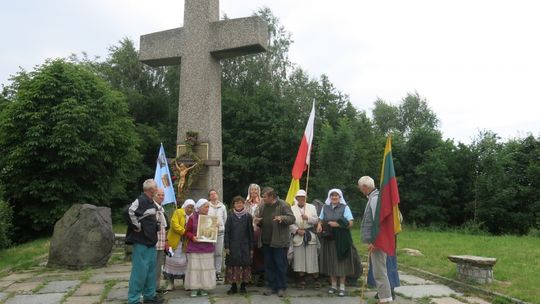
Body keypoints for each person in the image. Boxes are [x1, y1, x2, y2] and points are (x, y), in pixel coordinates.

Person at [126, 179, 163, 304]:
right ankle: (134, 300)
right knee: (139, 272)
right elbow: (129, 211)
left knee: (150, 272)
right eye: (156, 187)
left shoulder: (151, 202)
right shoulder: (141, 200)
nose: (157, 189)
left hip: (151, 242)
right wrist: (136, 226)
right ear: (150, 189)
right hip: (141, 242)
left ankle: (149, 296)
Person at [254, 187, 295, 297]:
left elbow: (292, 218)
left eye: (265, 196)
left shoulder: (283, 204)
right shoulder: (263, 206)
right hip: (266, 240)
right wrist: (258, 222)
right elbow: (261, 220)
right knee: (269, 265)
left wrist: (282, 218)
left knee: (280, 264)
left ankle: (281, 287)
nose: (263, 198)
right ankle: (270, 286)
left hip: (279, 241)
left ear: (272, 196)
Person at [358, 176, 393, 303]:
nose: (361, 191)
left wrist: (375, 242)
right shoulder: (375, 197)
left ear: (365, 187)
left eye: (361, 188)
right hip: (378, 240)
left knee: (379, 272)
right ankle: (385, 298)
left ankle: (385, 299)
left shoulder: (375, 199)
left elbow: (378, 222)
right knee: (379, 270)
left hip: (378, 241)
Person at [316, 189, 354, 297]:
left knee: (341, 262)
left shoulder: (344, 207)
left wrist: (337, 224)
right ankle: (333, 286)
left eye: (336, 195)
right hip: (329, 238)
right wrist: (319, 224)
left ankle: (342, 287)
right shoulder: (325, 207)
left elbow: (351, 223)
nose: (334, 197)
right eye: (332, 195)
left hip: (341, 239)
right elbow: (321, 219)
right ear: (329, 197)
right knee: (331, 262)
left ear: (340, 197)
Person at [184, 199, 217, 297]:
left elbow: (212, 233)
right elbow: (187, 232)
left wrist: (215, 229)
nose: (207, 209)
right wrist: (192, 237)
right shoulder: (192, 218)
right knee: (195, 268)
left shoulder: (211, 218)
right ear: (200, 207)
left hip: (207, 248)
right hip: (195, 247)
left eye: (208, 207)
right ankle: (194, 288)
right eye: (206, 207)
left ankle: (203, 288)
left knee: (205, 268)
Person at [289, 189, 320, 289]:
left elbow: (317, 220)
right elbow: (290, 223)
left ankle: (316, 280)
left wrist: (308, 218)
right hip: (298, 236)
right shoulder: (291, 208)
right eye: (299, 198)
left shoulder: (312, 207)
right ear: (297, 198)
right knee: (299, 260)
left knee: (312, 259)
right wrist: (297, 230)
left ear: (306, 198)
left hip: (310, 235)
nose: (301, 199)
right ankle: (301, 280)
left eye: (303, 197)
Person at [224, 196, 254, 294]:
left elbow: (251, 233)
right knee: (233, 266)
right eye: (237, 203)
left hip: (245, 246)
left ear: (243, 204)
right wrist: (227, 246)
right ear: (234, 205)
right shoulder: (230, 215)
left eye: (240, 203)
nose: (239, 205)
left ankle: (243, 287)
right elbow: (227, 232)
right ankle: (233, 287)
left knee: (244, 265)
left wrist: (251, 248)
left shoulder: (248, 216)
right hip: (233, 245)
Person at [163, 199, 195, 290]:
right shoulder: (178, 212)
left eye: (192, 208)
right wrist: (185, 232)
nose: (190, 209)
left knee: (185, 263)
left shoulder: (193, 216)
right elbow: (174, 224)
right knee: (170, 261)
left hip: (185, 243)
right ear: (185, 206)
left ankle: (186, 283)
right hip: (172, 242)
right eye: (188, 207)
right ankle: (170, 283)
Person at [245, 183, 265, 286]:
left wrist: (259, 221)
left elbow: (265, 215)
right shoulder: (245, 203)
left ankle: (261, 275)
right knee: (250, 252)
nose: (253, 192)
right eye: (252, 190)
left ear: (258, 191)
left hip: (259, 230)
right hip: (248, 231)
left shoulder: (262, 202)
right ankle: (250, 275)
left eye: (255, 190)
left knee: (259, 251)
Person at [207, 189, 227, 281]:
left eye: (215, 193)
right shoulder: (207, 205)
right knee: (211, 253)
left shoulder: (222, 206)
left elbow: (225, 218)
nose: (213, 195)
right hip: (210, 232)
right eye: (211, 194)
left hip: (220, 232)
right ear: (209, 196)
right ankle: (211, 272)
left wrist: (221, 226)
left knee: (219, 253)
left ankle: (218, 272)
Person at [153, 188, 168, 292]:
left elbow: (164, 226)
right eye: (159, 195)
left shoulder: (161, 208)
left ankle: (156, 287)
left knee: (158, 267)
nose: (161, 197)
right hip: (154, 243)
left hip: (161, 242)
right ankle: (151, 289)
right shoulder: (152, 207)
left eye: (163, 195)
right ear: (154, 195)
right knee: (152, 268)